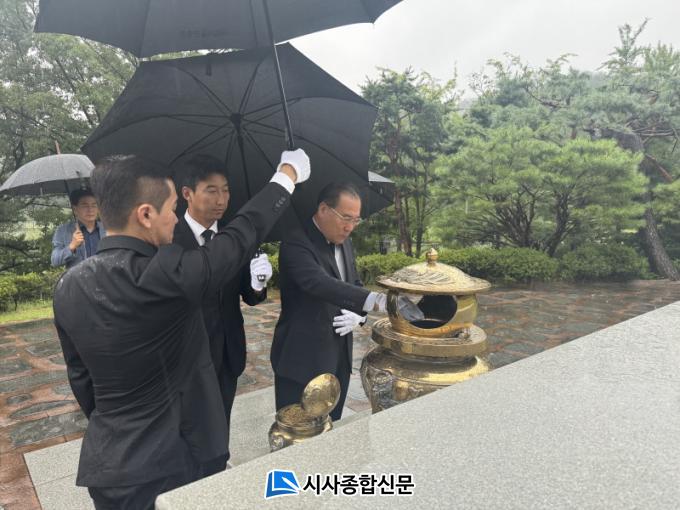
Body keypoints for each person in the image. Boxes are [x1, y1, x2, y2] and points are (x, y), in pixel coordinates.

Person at [53, 150, 309, 510]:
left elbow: (82, 380)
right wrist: (287, 175)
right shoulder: (165, 275)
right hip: (173, 463)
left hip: (108, 465)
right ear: (145, 214)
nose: (176, 218)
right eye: (172, 208)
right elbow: (241, 234)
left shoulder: (68, 286)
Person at [270, 182, 422, 421]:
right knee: (299, 429)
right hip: (302, 359)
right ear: (323, 209)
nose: (350, 227)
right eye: (346, 218)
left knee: (333, 426)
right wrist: (377, 301)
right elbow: (318, 282)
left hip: (339, 356)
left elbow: (354, 284)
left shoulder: (344, 241)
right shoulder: (296, 242)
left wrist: (359, 316)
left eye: (356, 220)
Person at [172, 154, 273, 465]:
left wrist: (257, 283)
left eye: (226, 190)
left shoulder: (236, 235)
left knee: (221, 417)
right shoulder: (170, 237)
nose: (221, 200)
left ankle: (218, 464)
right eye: (211, 190)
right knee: (188, 426)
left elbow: (249, 295)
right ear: (187, 193)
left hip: (228, 349)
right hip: (187, 354)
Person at [51, 188, 106, 269]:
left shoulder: (107, 229)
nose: (90, 209)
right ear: (75, 209)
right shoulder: (63, 231)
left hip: (104, 276)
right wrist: (72, 246)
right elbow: (55, 261)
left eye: (94, 205)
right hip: (78, 277)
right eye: (85, 205)